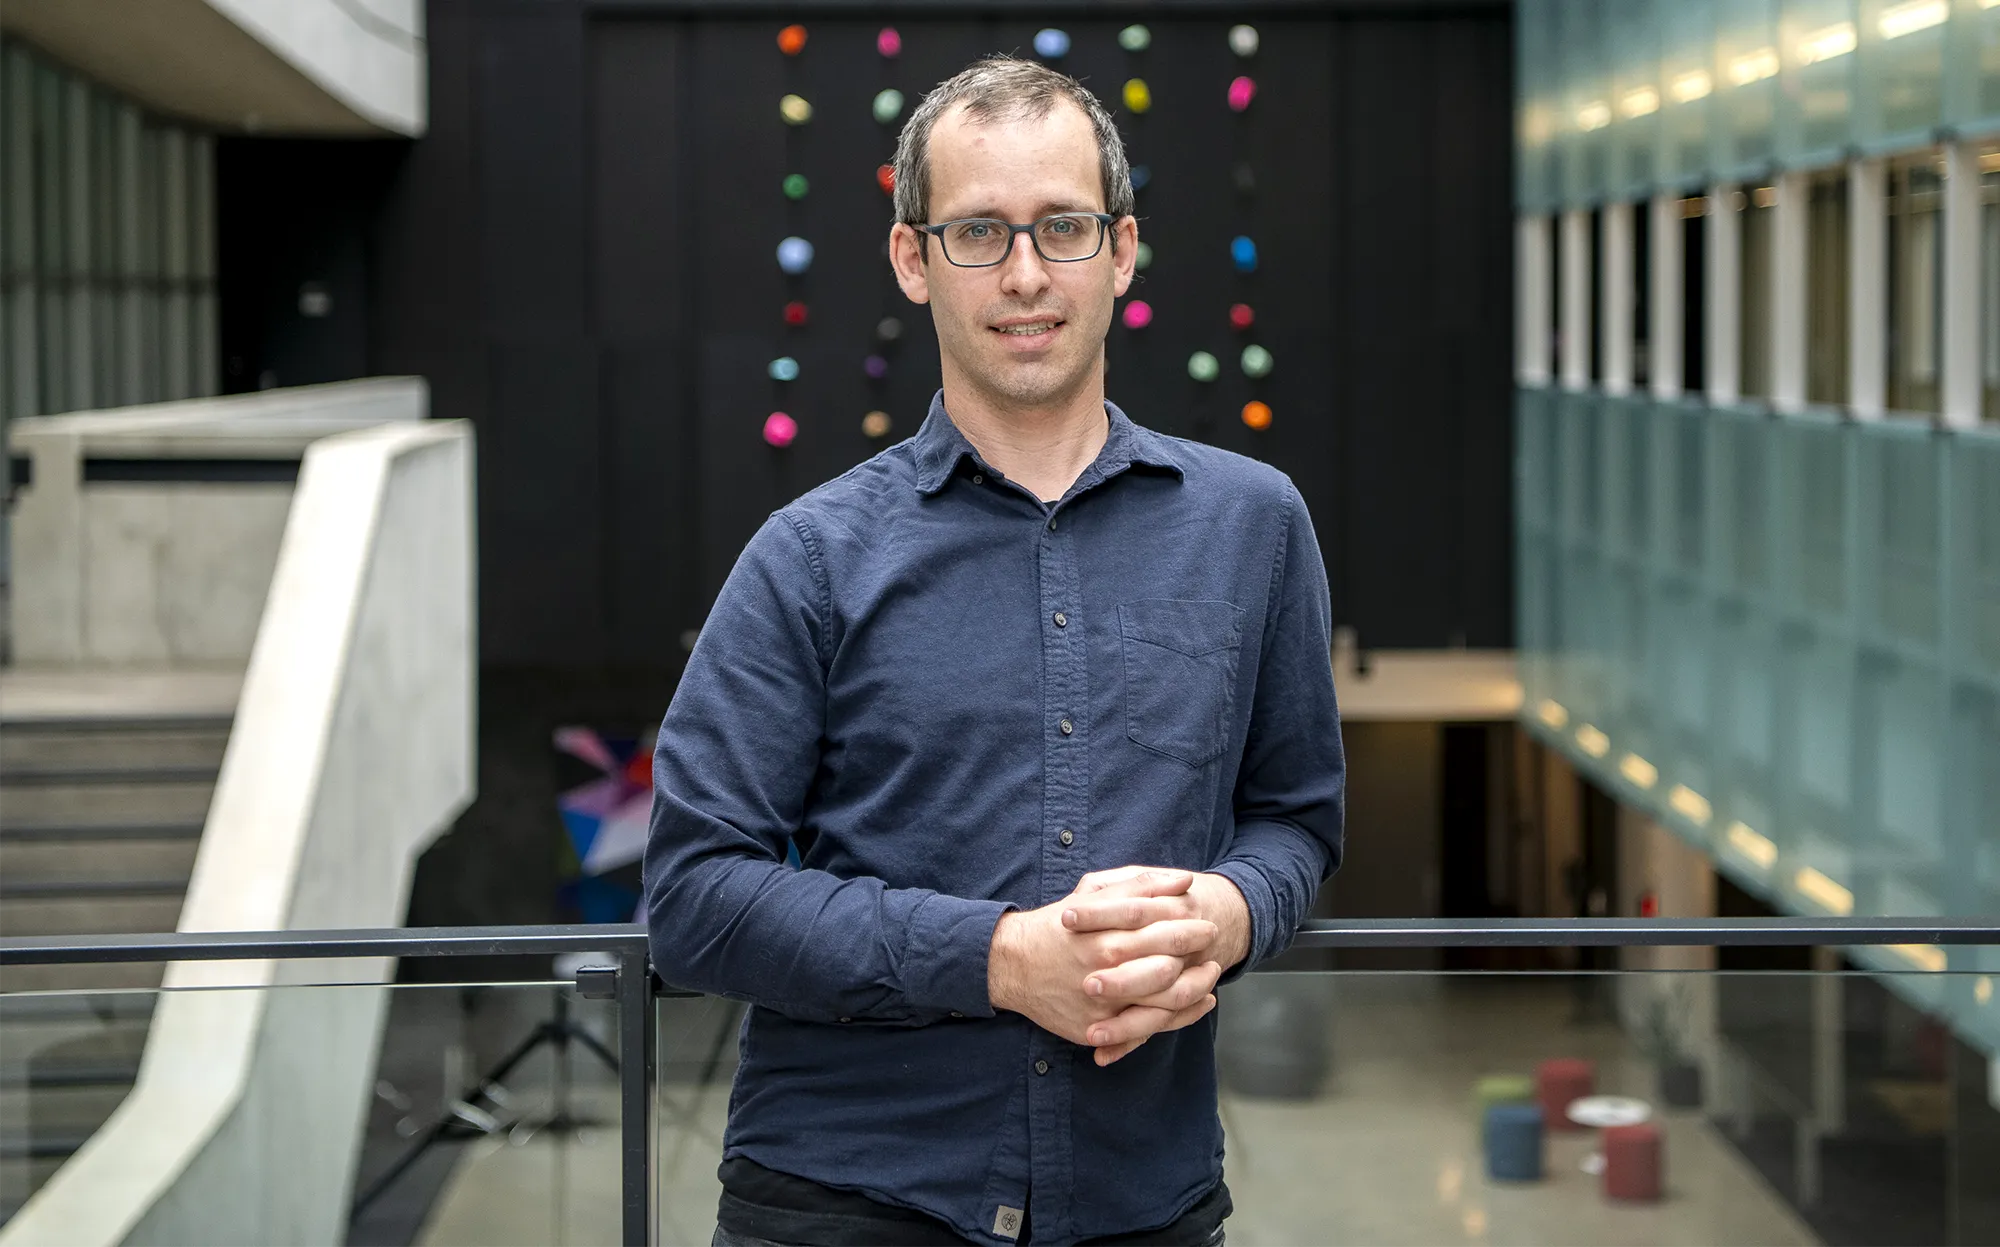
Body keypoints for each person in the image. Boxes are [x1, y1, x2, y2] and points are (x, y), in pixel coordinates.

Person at [644, 54, 1345, 1247]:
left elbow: (1296, 819)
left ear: (1120, 251)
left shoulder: (1254, 524)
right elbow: (695, 895)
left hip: (1143, 1202)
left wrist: (1229, 911)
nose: (1025, 274)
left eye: (1061, 228)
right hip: (842, 1205)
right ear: (913, 260)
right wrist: (998, 958)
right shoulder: (805, 553)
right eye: (978, 233)